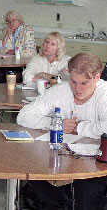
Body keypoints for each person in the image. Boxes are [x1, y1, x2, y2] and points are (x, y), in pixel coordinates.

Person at [17, 53, 107, 210]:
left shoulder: (104, 94)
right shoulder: (61, 90)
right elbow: (23, 116)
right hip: (64, 157)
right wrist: (54, 123)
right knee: (36, 184)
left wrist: (79, 127)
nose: (77, 89)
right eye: (73, 81)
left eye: (84, 83)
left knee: (87, 194)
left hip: (98, 163)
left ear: (97, 77)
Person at [0, 10, 36, 83]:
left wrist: (14, 52)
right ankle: (7, 91)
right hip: (10, 64)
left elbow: (30, 52)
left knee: (16, 76)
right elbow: (1, 51)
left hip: (24, 65)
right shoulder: (7, 31)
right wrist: (6, 36)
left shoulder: (28, 31)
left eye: (13, 20)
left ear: (20, 21)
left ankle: (13, 91)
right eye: (8, 21)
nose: (10, 24)